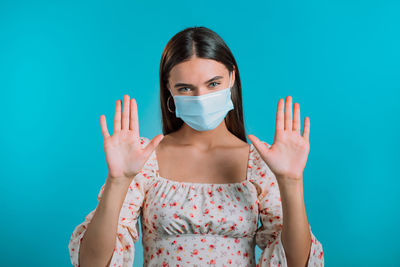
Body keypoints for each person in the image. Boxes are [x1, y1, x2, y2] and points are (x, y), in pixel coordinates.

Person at [68, 26, 324, 267]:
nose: (201, 99)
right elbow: (91, 263)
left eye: (213, 84)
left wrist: (291, 181)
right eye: (186, 88)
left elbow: (297, 262)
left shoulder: (260, 162)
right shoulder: (144, 159)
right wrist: (118, 180)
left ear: (232, 77)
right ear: (169, 90)